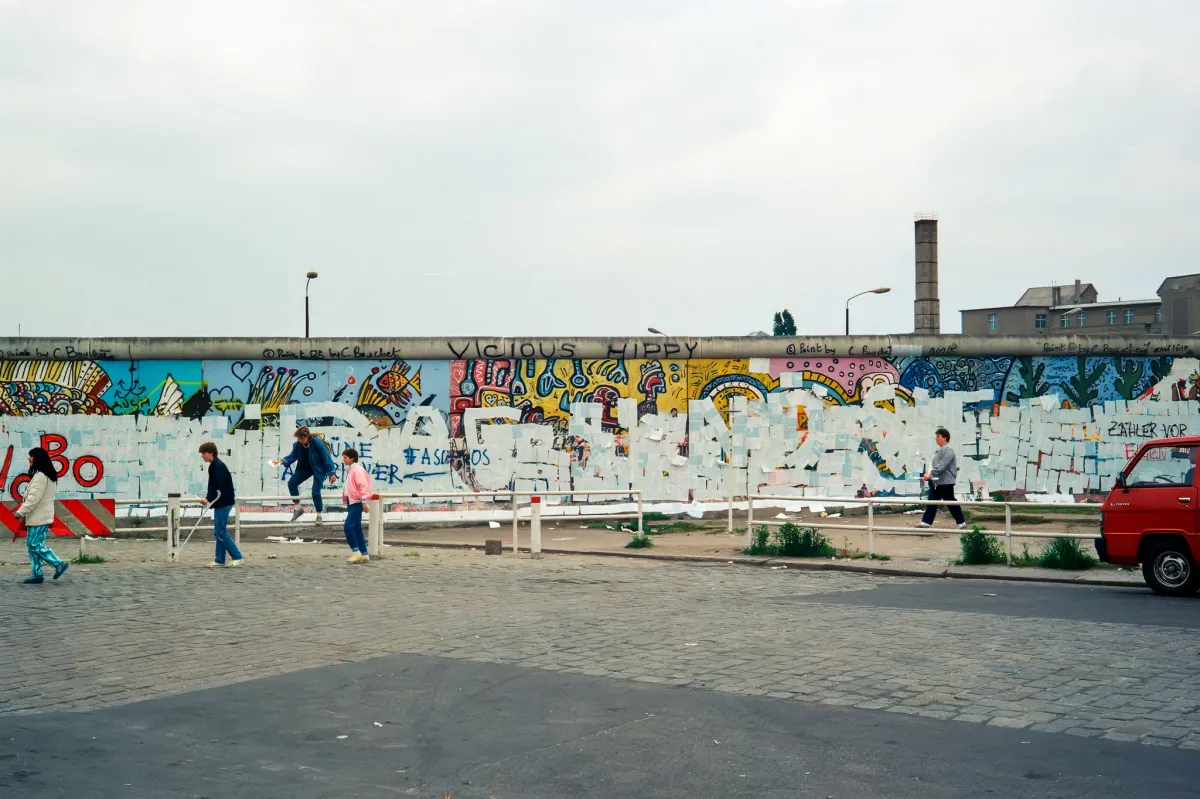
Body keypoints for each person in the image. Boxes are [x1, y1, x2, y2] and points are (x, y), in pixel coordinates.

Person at [14, 447, 69, 584]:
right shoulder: (44, 475)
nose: (29, 458)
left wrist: (21, 512)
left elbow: (33, 499)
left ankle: (58, 563)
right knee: (33, 545)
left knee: (34, 544)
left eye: (31, 456)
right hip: (38, 517)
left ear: (37, 459)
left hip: (39, 517)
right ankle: (37, 573)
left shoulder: (40, 477)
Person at [271, 426, 338, 524]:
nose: (301, 440)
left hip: (319, 469)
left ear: (307, 436)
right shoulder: (297, 445)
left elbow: (326, 457)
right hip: (305, 468)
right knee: (292, 483)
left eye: (302, 438)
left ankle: (319, 515)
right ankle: (298, 509)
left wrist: (331, 473)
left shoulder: (316, 442)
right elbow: (292, 457)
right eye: (299, 438)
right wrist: (280, 461)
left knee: (315, 491)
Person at [199, 442, 242, 568]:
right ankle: (219, 559)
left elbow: (217, 486)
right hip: (222, 501)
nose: (202, 456)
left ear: (211, 453)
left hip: (224, 502)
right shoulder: (216, 465)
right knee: (218, 531)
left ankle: (237, 556)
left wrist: (207, 498)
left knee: (221, 531)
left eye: (204, 453)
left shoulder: (217, 466)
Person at [918, 427, 966, 529]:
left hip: (945, 482)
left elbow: (941, 466)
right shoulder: (938, 451)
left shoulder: (948, 451)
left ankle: (961, 522)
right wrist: (929, 474)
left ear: (945, 438)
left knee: (950, 502)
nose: (936, 438)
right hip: (936, 482)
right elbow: (933, 465)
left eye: (938, 436)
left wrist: (930, 475)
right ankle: (925, 522)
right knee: (932, 501)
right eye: (936, 436)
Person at [340, 447, 372, 564]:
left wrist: (364, 502)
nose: (344, 460)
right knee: (357, 528)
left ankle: (356, 551)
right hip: (353, 501)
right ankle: (364, 553)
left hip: (356, 502)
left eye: (345, 458)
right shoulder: (352, 470)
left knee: (348, 527)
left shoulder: (357, 470)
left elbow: (363, 486)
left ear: (352, 458)